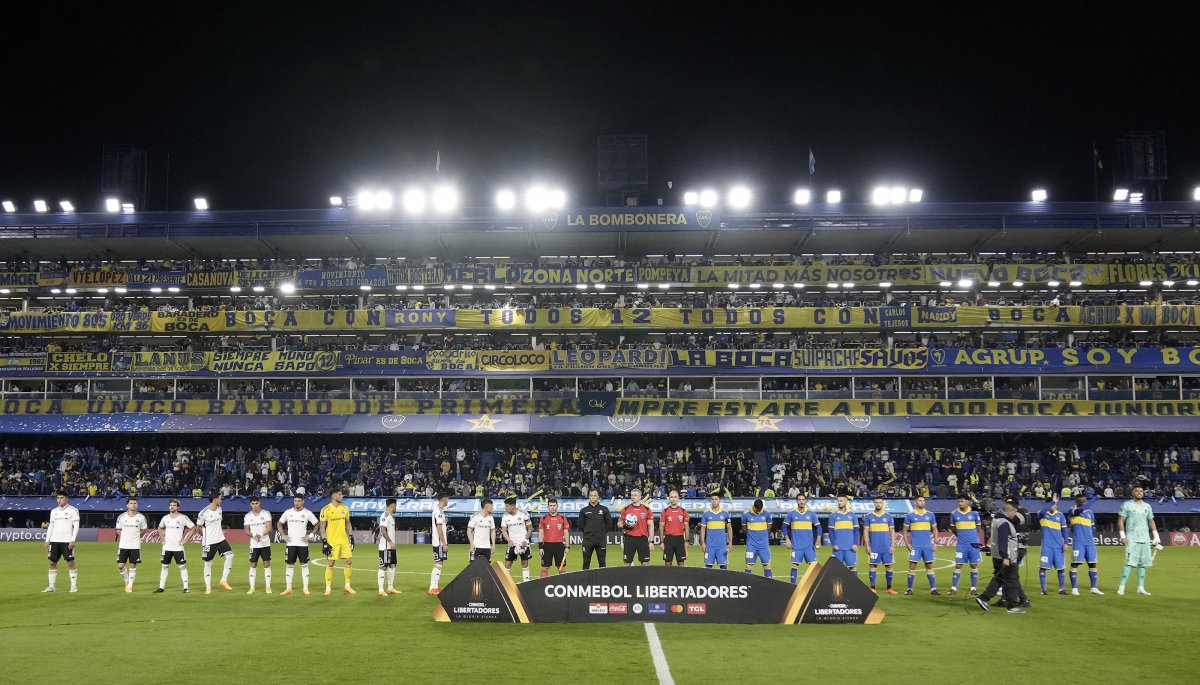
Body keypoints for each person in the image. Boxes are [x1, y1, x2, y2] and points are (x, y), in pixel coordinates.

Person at [976, 498, 1027, 613]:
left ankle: (984, 598)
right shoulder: (1005, 523)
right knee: (1013, 580)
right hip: (1006, 556)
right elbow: (1003, 541)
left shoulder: (996, 520)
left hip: (997, 556)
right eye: (1015, 512)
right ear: (1010, 511)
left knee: (999, 579)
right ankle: (1012, 605)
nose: (1015, 515)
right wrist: (1005, 557)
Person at [183, 493, 234, 594]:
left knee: (230, 556)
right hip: (209, 542)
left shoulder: (219, 509)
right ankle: (208, 588)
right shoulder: (203, 513)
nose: (221, 500)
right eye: (220, 498)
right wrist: (205, 537)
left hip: (220, 539)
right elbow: (198, 528)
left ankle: (223, 580)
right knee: (208, 564)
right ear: (215, 499)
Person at [1117, 484, 1160, 596]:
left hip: (1145, 538)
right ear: (1132, 493)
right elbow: (1121, 520)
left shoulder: (1147, 506)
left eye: (1141, 491)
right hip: (1132, 538)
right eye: (1137, 491)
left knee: (1142, 564)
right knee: (1129, 563)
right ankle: (1122, 587)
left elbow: (1151, 520)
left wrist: (1156, 536)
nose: (1139, 493)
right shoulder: (1126, 505)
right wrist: (1122, 536)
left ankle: (1140, 587)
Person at [277, 494, 318, 595]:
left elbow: (317, 524)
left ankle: (305, 588)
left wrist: (310, 535)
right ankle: (288, 588)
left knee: (304, 565)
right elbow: (279, 524)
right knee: (289, 565)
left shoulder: (307, 513)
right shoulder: (288, 512)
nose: (297, 503)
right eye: (295, 501)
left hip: (303, 544)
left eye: (299, 501)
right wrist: (283, 535)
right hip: (291, 544)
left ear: (303, 501)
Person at [319, 487, 355, 595]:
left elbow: (348, 523)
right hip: (332, 541)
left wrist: (351, 536)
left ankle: (347, 586)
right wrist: (324, 541)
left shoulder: (345, 508)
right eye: (340, 494)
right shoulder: (325, 509)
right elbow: (322, 527)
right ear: (334, 496)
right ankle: (328, 588)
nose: (342, 496)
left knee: (348, 561)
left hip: (344, 540)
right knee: (330, 563)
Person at [43, 490, 80, 593]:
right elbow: (51, 526)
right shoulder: (54, 511)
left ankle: (73, 586)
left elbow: (76, 526)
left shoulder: (73, 510)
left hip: (67, 541)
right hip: (54, 541)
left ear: (66, 498)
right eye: (58, 498)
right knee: (52, 563)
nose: (59, 500)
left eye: (61, 498)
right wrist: (47, 540)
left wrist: (73, 540)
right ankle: (51, 586)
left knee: (70, 563)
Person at [1067, 491, 1103, 595]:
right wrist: (1095, 499)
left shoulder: (1090, 513)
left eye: (1084, 501)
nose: (1084, 503)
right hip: (1079, 542)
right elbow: (1082, 509)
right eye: (1081, 502)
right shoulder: (1072, 510)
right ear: (1077, 502)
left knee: (1092, 564)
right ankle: (1074, 588)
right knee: (1075, 564)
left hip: (1090, 543)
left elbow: (1092, 527)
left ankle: (1094, 588)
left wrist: (1091, 537)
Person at [903, 496, 940, 595]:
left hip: (927, 546)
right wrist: (907, 543)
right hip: (915, 546)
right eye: (920, 500)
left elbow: (935, 529)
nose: (922, 502)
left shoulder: (930, 515)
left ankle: (933, 589)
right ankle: (909, 589)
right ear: (915, 502)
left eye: (923, 500)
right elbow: (905, 530)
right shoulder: (910, 515)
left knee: (929, 566)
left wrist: (936, 542)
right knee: (912, 566)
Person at [949, 495, 985, 596]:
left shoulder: (974, 513)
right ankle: (953, 588)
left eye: (962, 501)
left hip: (974, 544)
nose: (960, 503)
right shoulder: (954, 514)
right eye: (959, 502)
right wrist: (960, 535)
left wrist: (972, 537)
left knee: (973, 565)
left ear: (967, 502)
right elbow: (952, 528)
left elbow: (978, 527)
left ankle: (973, 588)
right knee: (958, 565)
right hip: (962, 545)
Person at [156, 499, 194, 593]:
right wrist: (162, 538)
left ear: (178, 507)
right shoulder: (165, 518)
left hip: (178, 547)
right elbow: (160, 528)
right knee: (164, 566)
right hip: (167, 547)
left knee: (182, 567)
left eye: (174, 505)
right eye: (171, 505)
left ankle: (185, 587)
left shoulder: (183, 518)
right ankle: (161, 587)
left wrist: (186, 540)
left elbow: (193, 528)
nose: (172, 507)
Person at [783, 494, 821, 583]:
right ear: (797, 501)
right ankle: (792, 586)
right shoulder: (791, 514)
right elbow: (784, 526)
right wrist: (787, 539)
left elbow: (819, 527)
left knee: (813, 568)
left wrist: (818, 540)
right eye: (799, 499)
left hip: (809, 546)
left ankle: (813, 587)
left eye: (803, 499)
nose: (801, 501)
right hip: (797, 546)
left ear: (806, 501)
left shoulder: (811, 514)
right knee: (794, 566)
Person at [863, 496, 896, 594]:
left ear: (883, 503)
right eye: (876, 502)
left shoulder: (888, 516)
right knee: (873, 566)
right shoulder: (869, 516)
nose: (878, 504)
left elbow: (892, 531)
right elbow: (865, 531)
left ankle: (889, 588)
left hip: (886, 546)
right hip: (874, 547)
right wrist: (867, 545)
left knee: (889, 566)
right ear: (874, 503)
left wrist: (893, 545)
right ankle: (873, 587)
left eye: (880, 502)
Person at [1037, 494, 1069, 595]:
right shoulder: (1042, 514)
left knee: (1061, 568)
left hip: (1058, 546)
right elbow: (1042, 511)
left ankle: (1062, 589)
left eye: (1056, 504)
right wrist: (1052, 502)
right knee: (1043, 567)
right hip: (1047, 546)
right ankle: (1043, 589)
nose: (1055, 506)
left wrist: (1066, 543)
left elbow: (1065, 530)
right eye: (1053, 504)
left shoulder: (1060, 515)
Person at [114, 497, 148, 593]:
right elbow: (118, 530)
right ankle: (127, 581)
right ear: (127, 505)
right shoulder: (121, 517)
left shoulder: (141, 517)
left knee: (133, 565)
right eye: (131, 503)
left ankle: (129, 586)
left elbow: (144, 530)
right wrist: (125, 536)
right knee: (120, 566)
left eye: (135, 503)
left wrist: (136, 536)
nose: (133, 505)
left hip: (135, 545)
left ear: (137, 505)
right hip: (123, 545)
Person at [243, 495, 273, 594]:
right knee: (253, 564)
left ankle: (268, 587)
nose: (255, 505)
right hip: (254, 544)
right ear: (250, 504)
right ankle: (252, 588)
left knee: (266, 564)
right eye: (253, 504)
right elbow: (246, 530)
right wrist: (253, 535)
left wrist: (261, 534)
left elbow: (269, 528)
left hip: (265, 543)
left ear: (259, 503)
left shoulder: (266, 513)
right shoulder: (248, 516)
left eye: (256, 503)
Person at [501, 496, 533, 581]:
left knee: (525, 562)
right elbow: (504, 530)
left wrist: (525, 540)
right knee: (508, 563)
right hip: (512, 543)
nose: (505, 508)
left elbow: (530, 528)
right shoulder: (505, 517)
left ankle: (526, 582)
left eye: (507, 506)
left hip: (523, 542)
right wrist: (509, 540)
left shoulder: (524, 514)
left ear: (513, 506)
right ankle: (504, 583)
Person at [577, 489, 611, 569]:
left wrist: (601, 533)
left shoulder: (604, 509)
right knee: (586, 563)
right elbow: (580, 525)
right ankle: (585, 581)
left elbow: (609, 525)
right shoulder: (584, 510)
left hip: (601, 540)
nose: (593, 497)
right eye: (591, 495)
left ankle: (602, 581)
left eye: (595, 495)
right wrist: (587, 532)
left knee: (602, 563)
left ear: (598, 497)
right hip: (588, 540)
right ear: (589, 497)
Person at [620, 489, 654, 567]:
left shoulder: (646, 509)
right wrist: (626, 525)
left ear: (640, 497)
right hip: (629, 538)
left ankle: (645, 579)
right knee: (627, 563)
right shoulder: (626, 509)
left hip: (642, 539)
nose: (633, 497)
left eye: (635, 495)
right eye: (631, 495)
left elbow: (650, 525)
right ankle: (626, 579)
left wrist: (651, 541)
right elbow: (619, 523)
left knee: (645, 563)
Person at [827, 494, 860, 573]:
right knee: (836, 571)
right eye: (838, 501)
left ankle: (853, 585)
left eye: (841, 501)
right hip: (838, 548)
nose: (839, 502)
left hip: (850, 548)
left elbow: (856, 531)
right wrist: (833, 544)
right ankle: (837, 586)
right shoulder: (833, 516)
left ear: (846, 501)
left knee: (853, 569)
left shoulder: (852, 515)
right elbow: (831, 531)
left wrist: (855, 544)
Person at [538, 498, 570, 576]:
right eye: (550, 505)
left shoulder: (562, 518)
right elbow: (541, 532)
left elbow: (566, 532)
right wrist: (540, 547)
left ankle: (562, 586)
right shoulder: (544, 518)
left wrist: (567, 546)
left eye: (554, 505)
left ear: (557, 506)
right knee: (544, 568)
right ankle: (543, 586)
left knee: (561, 568)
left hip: (559, 546)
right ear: (548, 507)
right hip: (547, 546)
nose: (552, 507)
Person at [742, 498, 773, 577]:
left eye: (760, 509)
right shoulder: (746, 514)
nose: (758, 511)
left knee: (767, 566)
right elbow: (744, 529)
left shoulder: (767, 514)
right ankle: (747, 585)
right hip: (751, 545)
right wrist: (751, 536)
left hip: (764, 545)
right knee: (748, 565)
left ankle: (769, 586)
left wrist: (762, 536)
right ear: (753, 506)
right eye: (757, 509)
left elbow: (769, 527)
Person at [701, 492, 732, 569]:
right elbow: (703, 529)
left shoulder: (725, 514)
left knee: (723, 567)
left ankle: (724, 581)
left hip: (722, 546)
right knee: (708, 567)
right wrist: (703, 543)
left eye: (716, 499)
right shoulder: (706, 514)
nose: (714, 501)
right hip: (709, 546)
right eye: (712, 499)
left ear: (719, 500)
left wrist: (730, 543)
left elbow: (729, 528)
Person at [659, 489, 689, 567]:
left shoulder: (683, 511)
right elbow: (661, 527)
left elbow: (686, 526)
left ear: (678, 498)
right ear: (669, 498)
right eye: (672, 497)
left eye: (675, 497)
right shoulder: (665, 511)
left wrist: (687, 541)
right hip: (669, 539)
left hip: (680, 539)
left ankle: (681, 579)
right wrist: (662, 542)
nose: (673, 499)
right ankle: (668, 579)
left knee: (681, 563)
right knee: (668, 562)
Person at [377, 498, 401, 596]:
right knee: (383, 566)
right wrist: (390, 542)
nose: (396, 508)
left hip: (391, 547)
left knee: (392, 565)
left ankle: (390, 588)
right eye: (396, 506)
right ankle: (381, 590)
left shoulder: (391, 516)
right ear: (392, 505)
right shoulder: (385, 515)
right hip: (385, 546)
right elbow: (383, 531)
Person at [429, 492, 449, 595]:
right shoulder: (438, 512)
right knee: (438, 563)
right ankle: (432, 587)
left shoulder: (439, 511)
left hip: (439, 542)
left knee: (440, 563)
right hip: (438, 542)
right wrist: (444, 543)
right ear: (443, 499)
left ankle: (435, 586)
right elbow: (439, 528)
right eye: (447, 499)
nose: (448, 501)